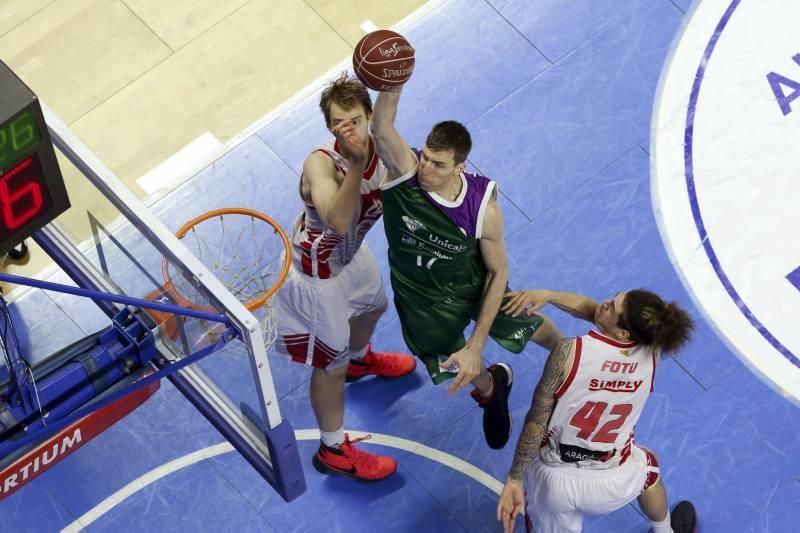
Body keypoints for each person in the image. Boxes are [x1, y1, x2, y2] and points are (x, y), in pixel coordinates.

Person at [370, 87, 562, 450]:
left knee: (518, 313)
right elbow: (381, 127)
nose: (426, 168)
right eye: (425, 157)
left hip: (471, 280)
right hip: (420, 293)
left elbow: (498, 273)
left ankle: (569, 360)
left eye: (438, 164)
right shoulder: (404, 174)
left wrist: (477, 343)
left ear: (460, 167)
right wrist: (393, 83)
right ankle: (492, 389)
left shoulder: (481, 209)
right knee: (444, 358)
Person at [273, 74, 416, 482]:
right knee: (327, 367)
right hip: (316, 276)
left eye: (353, 118)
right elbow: (337, 219)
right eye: (337, 122)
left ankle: (358, 360)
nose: (345, 128)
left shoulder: (384, 146)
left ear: (369, 117)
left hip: (351, 255)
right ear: (328, 127)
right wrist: (354, 166)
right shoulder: (321, 163)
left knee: (375, 307)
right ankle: (333, 448)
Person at [496, 288, 698, 533]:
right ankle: (665, 531)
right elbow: (595, 311)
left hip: (555, 481)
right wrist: (548, 296)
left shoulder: (569, 352)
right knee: (648, 467)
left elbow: (536, 422)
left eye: (612, 306)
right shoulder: (652, 349)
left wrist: (515, 478)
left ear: (624, 332)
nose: (603, 304)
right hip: (613, 478)